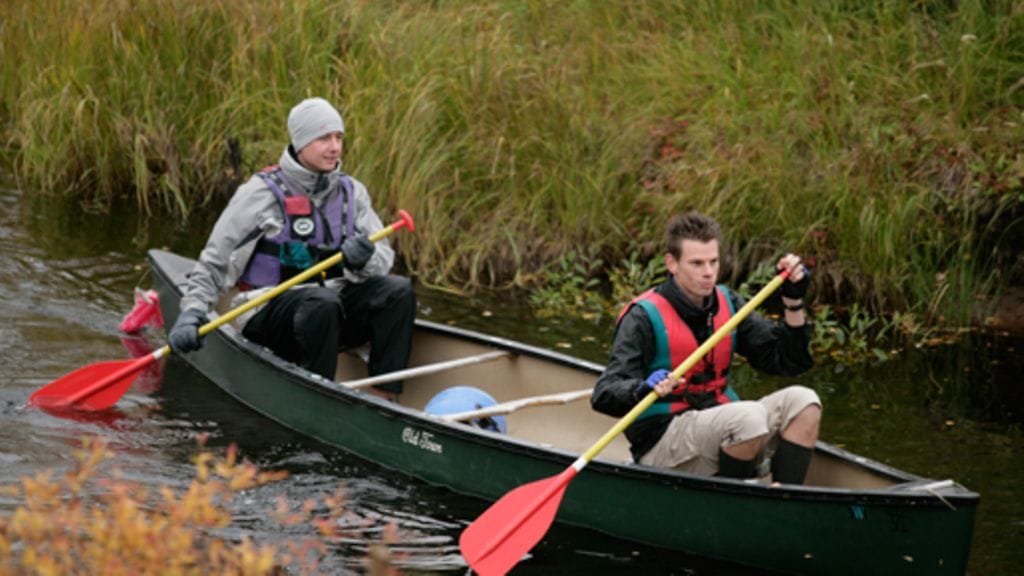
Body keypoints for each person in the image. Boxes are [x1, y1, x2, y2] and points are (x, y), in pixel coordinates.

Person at [167, 97, 416, 399]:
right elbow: (217, 259)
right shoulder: (260, 193)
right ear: (300, 143)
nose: (335, 147)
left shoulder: (352, 192)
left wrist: (362, 261)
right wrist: (192, 311)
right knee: (321, 302)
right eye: (324, 138)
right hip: (265, 309)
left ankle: (383, 396)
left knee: (398, 291)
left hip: (329, 309)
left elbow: (382, 260)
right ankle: (316, 398)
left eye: (338, 137)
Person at [592, 211, 821, 484]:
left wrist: (792, 302)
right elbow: (604, 394)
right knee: (749, 419)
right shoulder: (642, 317)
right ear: (672, 264)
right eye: (697, 263)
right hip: (664, 440)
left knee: (805, 402)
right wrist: (643, 388)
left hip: (721, 421)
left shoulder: (728, 303)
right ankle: (733, 503)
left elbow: (788, 361)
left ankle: (786, 501)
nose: (709, 272)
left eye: (713, 261)